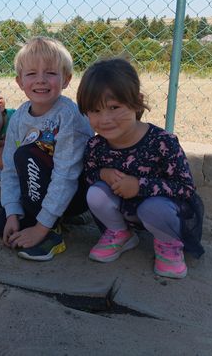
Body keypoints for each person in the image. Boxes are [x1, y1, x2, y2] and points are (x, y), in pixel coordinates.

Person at [76, 58, 204, 279]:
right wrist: (103, 174)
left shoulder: (163, 142)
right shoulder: (96, 146)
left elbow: (185, 188)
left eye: (114, 107)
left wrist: (139, 186)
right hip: (125, 210)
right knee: (95, 193)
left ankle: (169, 244)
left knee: (153, 208)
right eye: (95, 110)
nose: (104, 119)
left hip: (164, 210)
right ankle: (120, 233)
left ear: (137, 102)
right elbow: (88, 175)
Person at [0, 37, 93, 261]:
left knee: (27, 153)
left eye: (50, 73)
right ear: (20, 81)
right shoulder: (19, 117)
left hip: (76, 191)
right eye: (31, 73)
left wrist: (41, 227)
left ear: (66, 79)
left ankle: (50, 232)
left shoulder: (68, 116)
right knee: (2, 222)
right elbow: (9, 168)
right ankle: (49, 218)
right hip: (40, 190)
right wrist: (12, 211)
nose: (41, 80)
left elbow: (66, 175)